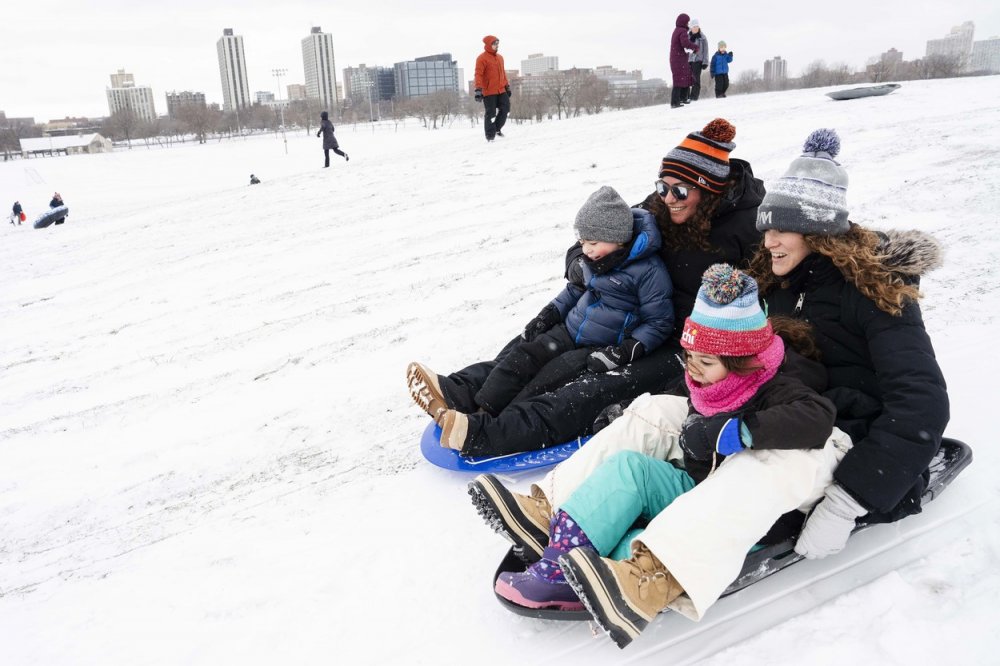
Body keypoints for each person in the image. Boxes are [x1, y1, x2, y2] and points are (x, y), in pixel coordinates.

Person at [472, 128, 949, 649]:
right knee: (655, 409)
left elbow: (922, 403)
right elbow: (732, 356)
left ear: (819, 232)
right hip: (761, 409)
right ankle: (553, 509)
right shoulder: (777, 283)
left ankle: (652, 575)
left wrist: (850, 498)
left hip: (836, 436)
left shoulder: (879, 297)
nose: (767, 242)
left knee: (766, 467)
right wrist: (690, 401)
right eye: (765, 229)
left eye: (781, 229)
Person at [488, 265, 837, 615]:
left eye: (705, 360)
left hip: (740, 517)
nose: (693, 368)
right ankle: (560, 562)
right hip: (696, 487)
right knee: (630, 469)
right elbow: (673, 394)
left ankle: (635, 577)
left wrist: (737, 431)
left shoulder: (778, 389)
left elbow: (816, 417)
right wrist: (624, 410)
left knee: (634, 540)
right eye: (688, 357)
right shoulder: (706, 383)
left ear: (742, 362)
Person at [406, 118, 763, 457]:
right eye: (662, 186)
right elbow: (597, 239)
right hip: (622, 314)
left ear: (710, 189)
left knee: (586, 386)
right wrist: (582, 265)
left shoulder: (747, 230)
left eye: (680, 190)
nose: (668, 197)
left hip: (678, 344)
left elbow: (766, 306)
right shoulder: (658, 208)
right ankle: (462, 391)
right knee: (535, 344)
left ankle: (489, 433)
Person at [409, 186, 674, 451]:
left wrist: (624, 351)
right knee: (520, 358)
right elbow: (574, 289)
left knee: (545, 380)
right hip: (569, 330)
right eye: (583, 243)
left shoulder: (648, 272)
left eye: (592, 243)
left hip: (597, 346)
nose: (586, 250)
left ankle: (488, 425)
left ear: (617, 238)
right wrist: (549, 314)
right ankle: (477, 407)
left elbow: (658, 322)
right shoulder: (595, 259)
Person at [474, 35, 511, 142]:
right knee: (491, 114)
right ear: (488, 45)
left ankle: (496, 129)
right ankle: (490, 137)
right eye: (494, 44)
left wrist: (507, 86)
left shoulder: (500, 58)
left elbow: (503, 73)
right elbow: (478, 74)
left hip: (501, 89)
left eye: (497, 44)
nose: (497, 46)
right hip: (489, 91)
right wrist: (478, 89)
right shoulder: (481, 58)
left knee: (506, 109)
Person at [669, 14, 699, 108]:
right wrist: (695, 47)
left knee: (684, 77)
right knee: (678, 79)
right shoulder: (682, 31)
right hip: (678, 59)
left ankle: (683, 98)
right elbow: (685, 43)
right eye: (688, 22)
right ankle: (675, 102)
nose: (688, 24)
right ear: (684, 22)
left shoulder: (677, 30)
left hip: (679, 58)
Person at [686, 19, 710, 102]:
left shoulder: (703, 38)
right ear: (691, 28)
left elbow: (706, 51)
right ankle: (687, 96)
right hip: (689, 61)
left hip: (698, 61)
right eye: (693, 27)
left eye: (696, 26)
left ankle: (694, 97)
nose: (695, 28)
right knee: (687, 79)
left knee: (696, 79)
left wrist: (705, 62)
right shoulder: (688, 37)